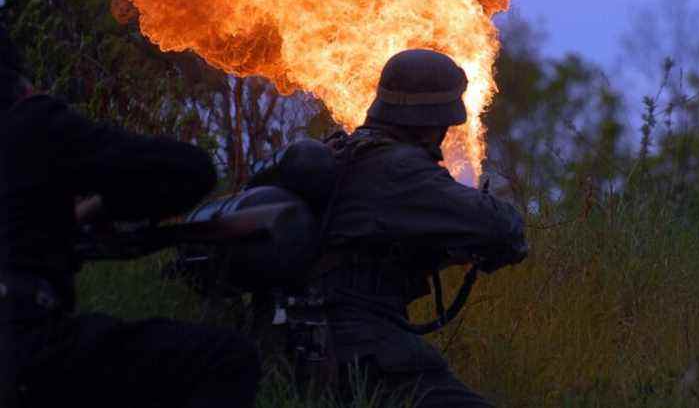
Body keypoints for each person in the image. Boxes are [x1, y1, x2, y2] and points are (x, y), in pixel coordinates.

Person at [0, 30, 261, 408]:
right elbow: (190, 171)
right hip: (23, 352)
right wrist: (102, 206)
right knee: (226, 359)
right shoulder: (29, 122)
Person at [313, 49, 528, 407]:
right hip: (362, 343)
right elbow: (500, 227)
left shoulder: (345, 152)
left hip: (323, 335)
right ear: (432, 121)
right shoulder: (397, 168)